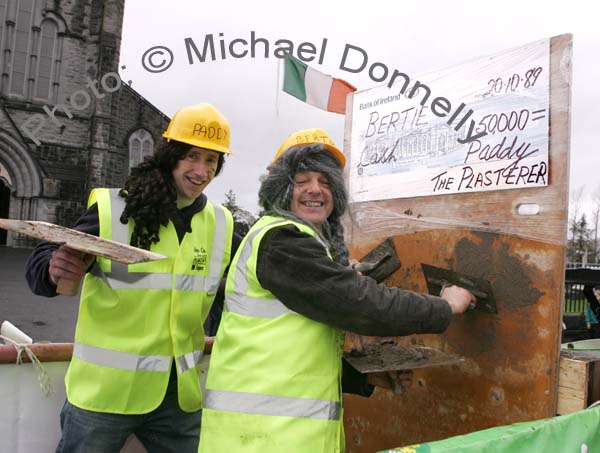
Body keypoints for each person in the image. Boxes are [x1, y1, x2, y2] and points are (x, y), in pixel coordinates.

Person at [198, 128, 475, 452]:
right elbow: (361, 305)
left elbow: (292, 346)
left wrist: (363, 379)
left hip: (276, 436)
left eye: (326, 180)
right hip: (264, 441)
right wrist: (445, 306)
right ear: (281, 187)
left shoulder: (299, 241)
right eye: (302, 180)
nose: (316, 190)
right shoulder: (283, 240)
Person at [25, 103, 238, 452]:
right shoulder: (115, 210)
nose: (201, 171)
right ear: (171, 156)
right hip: (104, 397)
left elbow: (232, 290)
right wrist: (53, 269)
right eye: (193, 157)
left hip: (178, 399)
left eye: (212, 161)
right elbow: (44, 259)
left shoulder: (222, 225)